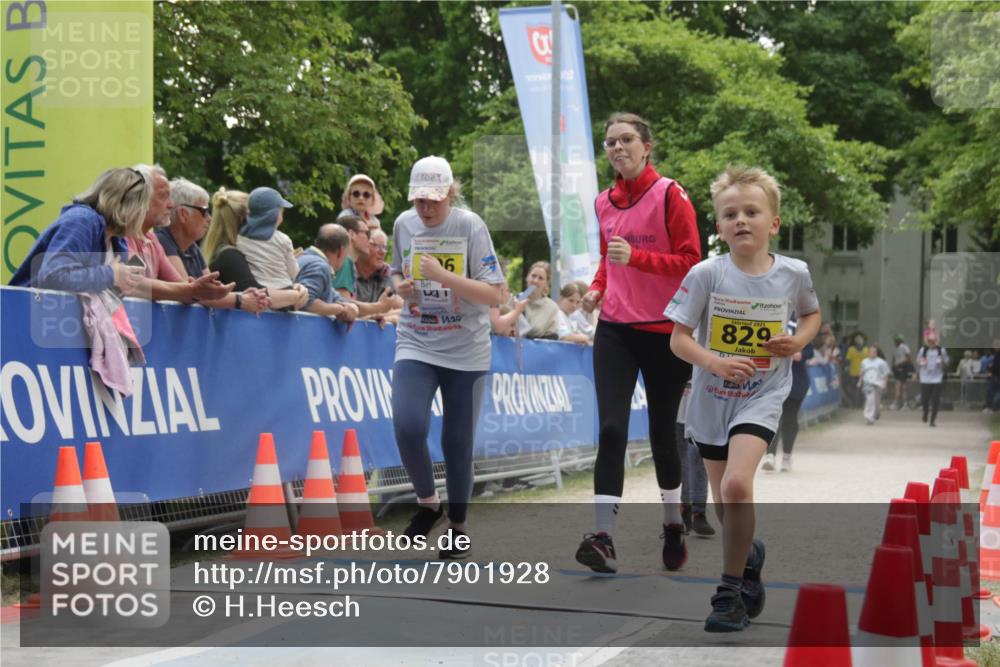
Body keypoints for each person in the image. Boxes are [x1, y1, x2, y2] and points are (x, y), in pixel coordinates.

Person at [666, 166, 820, 632]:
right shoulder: (706, 274)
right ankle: (749, 554)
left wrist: (797, 342)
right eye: (730, 214)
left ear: (773, 222)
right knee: (723, 505)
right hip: (712, 398)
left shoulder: (794, 273)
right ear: (719, 227)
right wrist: (713, 362)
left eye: (752, 212)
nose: (741, 220)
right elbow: (678, 339)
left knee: (737, 486)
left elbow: (811, 316)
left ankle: (728, 594)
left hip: (763, 394)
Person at [575, 112, 701, 575]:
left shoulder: (671, 194)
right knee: (610, 430)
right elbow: (611, 260)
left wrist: (639, 257)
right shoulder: (602, 202)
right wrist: (596, 287)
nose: (617, 148)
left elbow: (692, 262)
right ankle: (603, 537)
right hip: (615, 330)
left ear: (647, 146)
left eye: (626, 140)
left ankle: (672, 522)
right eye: (610, 142)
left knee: (663, 438)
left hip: (665, 332)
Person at [390, 156, 505, 559]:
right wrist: (401, 287)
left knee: (457, 442)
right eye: (419, 201)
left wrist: (443, 277)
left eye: (434, 201)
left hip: (466, 349)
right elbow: (394, 271)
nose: (426, 209)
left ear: (451, 193)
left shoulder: (470, 226)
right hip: (416, 341)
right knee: (406, 425)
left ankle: (457, 527)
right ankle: (428, 504)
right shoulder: (404, 224)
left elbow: (495, 294)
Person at [10, 167, 149, 295]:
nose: (144, 213)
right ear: (129, 206)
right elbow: (52, 277)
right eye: (143, 207)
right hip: (27, 314)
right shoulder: (82, 222)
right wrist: (111, 275)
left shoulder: (118, 241)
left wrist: (121, 285)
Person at [125, 164, 233, 304]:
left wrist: (195, 290)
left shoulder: (152, 240)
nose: (171, 205)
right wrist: (193, 290)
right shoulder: (123, 236)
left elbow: (181, 286)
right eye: (163, 196)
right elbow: (135, 283)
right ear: (141, 198)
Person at [158, 178, 268, 313]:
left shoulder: (192, 248)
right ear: (183, 214)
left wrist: (242, 296)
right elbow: (187, 292)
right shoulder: (162, 242)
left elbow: (211, 292)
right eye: (204, 211)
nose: (209, 219)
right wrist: (240, 299)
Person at [202, 188, 308, 311]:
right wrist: (296, 295)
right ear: (244, 219)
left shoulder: (229, 251)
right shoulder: (229, 255)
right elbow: (257, 296)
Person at [762, 320, 815, 472]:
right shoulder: (773, 317)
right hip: (773, 378)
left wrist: (800, 353)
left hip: (796, 380)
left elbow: (810, 350)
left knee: (790, 417)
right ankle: (770, 455)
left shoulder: (800, 321)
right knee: (773, 417)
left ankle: (786, 455)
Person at [236, 186, 299, 290]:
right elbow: (293, 272)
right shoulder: (283, 239)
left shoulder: (240, 238)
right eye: (281, 212)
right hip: (283, 293)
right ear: (275, 214)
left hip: (255, 292)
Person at [676, 383, 714, 536]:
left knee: (698, 455)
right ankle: (683, 507)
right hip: (675, 402)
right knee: (679, 458)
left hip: (704, 399)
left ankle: (699, 512)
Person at [519, 261, 562, 340]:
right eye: (533, 276)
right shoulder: (516, 300)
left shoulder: (552, 307)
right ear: (527, 277)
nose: (535, 281)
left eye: (540, 278)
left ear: (546, 283)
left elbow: (552, 337)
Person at [332, 215, 370, 299]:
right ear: (352, 234)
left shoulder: (341, 260)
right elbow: (344, 305)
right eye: (367, 233)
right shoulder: (344, 262)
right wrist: (379, 308)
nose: (369, 239)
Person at [917, 332, 949, 427]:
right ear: (927, 341)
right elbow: (918, 361)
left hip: (937, 378)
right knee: (925, 399)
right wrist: (922, 362)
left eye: (933, 341)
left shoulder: (941, 350)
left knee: (935, 400)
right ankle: (926, 412)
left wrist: (941, 362)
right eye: (929, 341)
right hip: (925, 378)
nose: (931, 343)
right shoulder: (923, 350)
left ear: (936, 341)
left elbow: (947, 363)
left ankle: (932, 420)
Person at [859, 344, 891, 425]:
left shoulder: (881, 362)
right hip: (868, 384)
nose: (873, 353)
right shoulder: (864, 362)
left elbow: (886, 374)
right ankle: (869, 418)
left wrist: (885, 384)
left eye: (875, 352)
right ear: (868, 352)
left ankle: (876, 413)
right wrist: (860, 381)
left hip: (878, 384)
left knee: (876, 402)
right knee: (870, 400)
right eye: (871, 352)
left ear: (877, 353)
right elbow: (862, 372)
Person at [844, 333, 868, 408]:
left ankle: (857, 404)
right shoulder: (865, 350)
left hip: (859, 373)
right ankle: (859, 404)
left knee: (857, 390)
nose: (859, 345)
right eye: (858, 343)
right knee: (858, 390)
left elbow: (847, 361)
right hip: (857, 373)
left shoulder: (852, 349)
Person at [890, 335, 914, 410]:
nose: (896, 342)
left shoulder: (904, 347)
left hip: (903, 369)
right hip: (897, 369)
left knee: (902, 387)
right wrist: (893, 367)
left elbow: (909, 358)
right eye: (895, 340)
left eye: (897, 340)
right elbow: (894, 359)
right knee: (898, 386)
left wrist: (900, 364)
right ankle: (899, 403)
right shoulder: (895, 349)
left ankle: (902, 404)